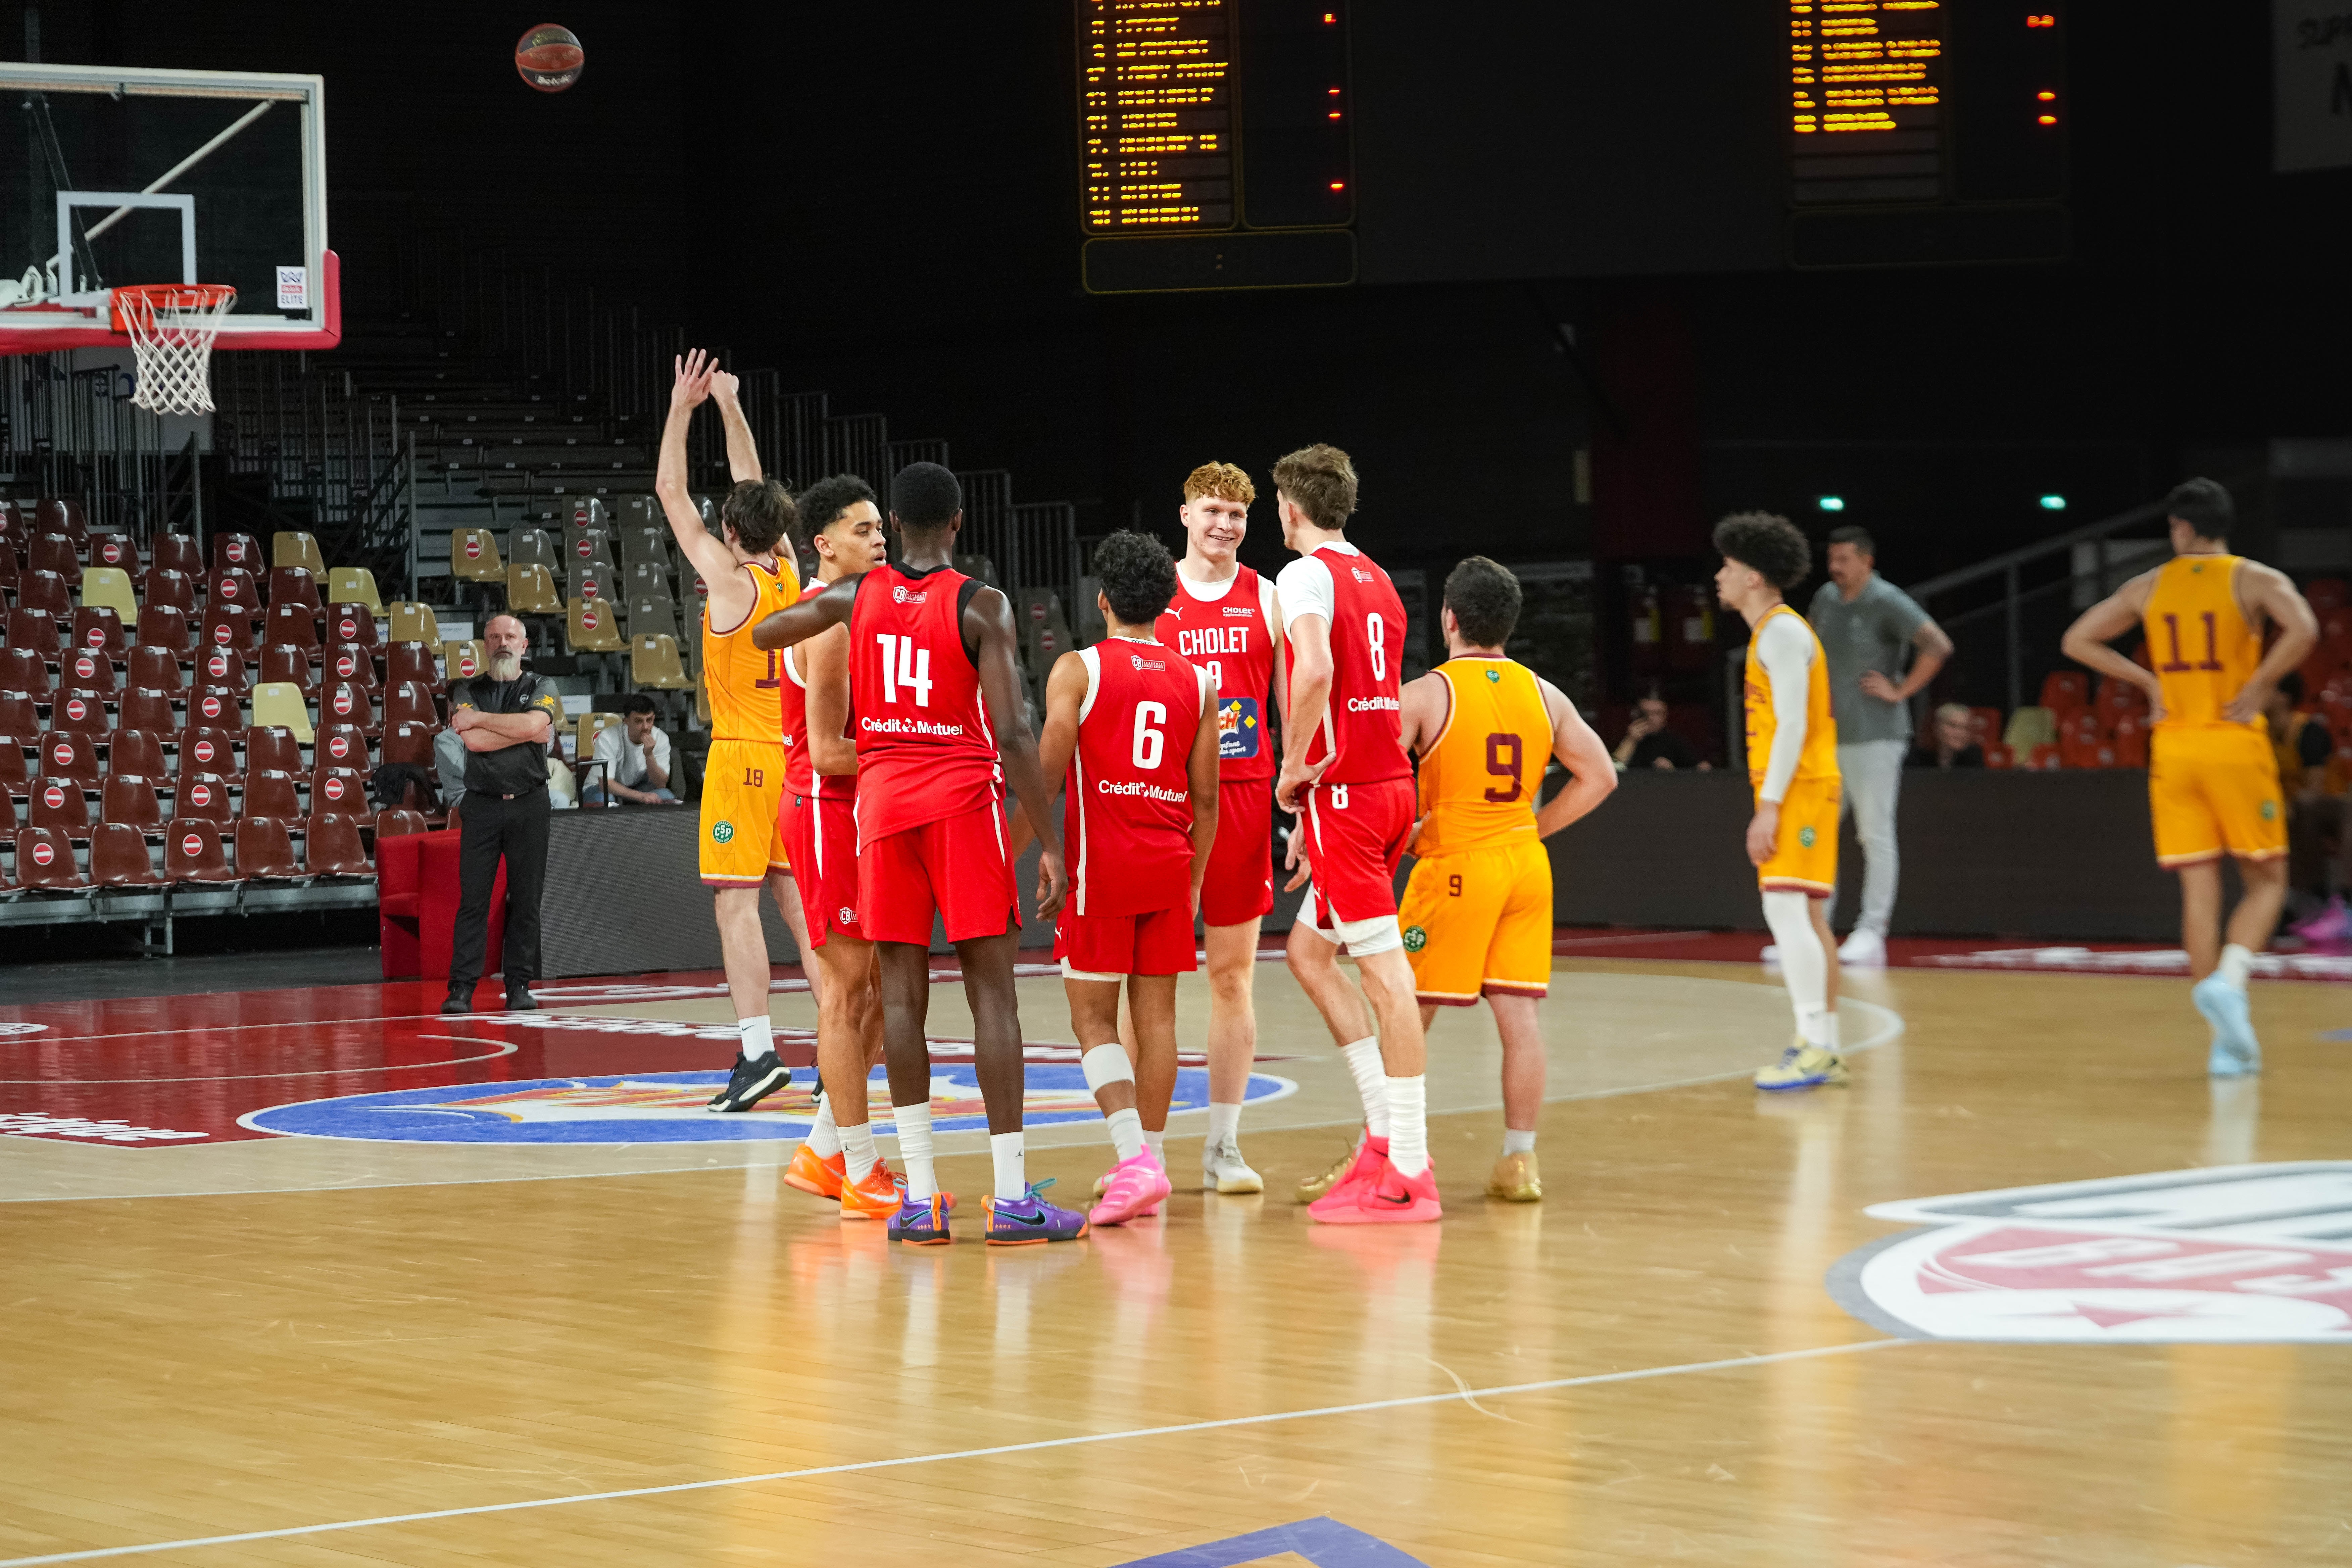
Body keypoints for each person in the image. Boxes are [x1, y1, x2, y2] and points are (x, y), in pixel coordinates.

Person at [754, 462, 1082, 1245]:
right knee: (992, 997)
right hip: (963, 804)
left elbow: (767, 634)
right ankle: (1011, 1198)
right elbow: (1011, 732)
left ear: (894, 526)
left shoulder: (855, 598)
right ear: (959, 523)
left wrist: (795, 594)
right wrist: (1054, 843)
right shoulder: (982, 602)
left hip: (884, 808)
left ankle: (920, 1198)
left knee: (897, 1000)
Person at [2061, 478, 2317, 1076]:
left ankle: (2222, 1045)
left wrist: (2147, 682)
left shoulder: (2148, 584)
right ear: (2223, 525)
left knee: (2197, 892)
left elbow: (2076, 639)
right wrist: (2257, 685)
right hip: (2232, 743)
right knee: (2267, 882)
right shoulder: (2251, 577)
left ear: (2179, 528)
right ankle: (2231, 980)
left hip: (2173, 750)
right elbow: (2303, 627)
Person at [1393, 557, 1617, 1202]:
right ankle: (1519, 1160)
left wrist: (1405, 835)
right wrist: (1533, 829)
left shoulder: (1426, 692)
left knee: (1408, 1013)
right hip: (1524, 864)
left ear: (1449, 618)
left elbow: (1378, 786)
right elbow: (1600, 776)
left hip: (1456, 865)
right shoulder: (1546, 694)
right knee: (1519, 1017)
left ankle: (1386, 1151)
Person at [1031, 530, 1220, 1227]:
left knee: (1090, 1018)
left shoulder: (1078, 670)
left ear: (1102, 600)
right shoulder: (1199, 681)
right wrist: (1194, 877)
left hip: (1101, 867)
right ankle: (1154, 1160)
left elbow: (1046, 777)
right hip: (1169, 863)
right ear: (1166, 606)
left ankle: (1132, 1156)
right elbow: (1208, 800)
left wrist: (1035, 852)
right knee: (1160, 1018)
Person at [1271, 443, 1439, 1224]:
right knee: (1309, 953)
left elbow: (1312, 675)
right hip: (1386, 788)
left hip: (1349, 795)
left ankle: (1409, 1165)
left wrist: (1294, 771)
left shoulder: (1306, 574)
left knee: (1385, 979)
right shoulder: (1379, 578)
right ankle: (1381, 1132)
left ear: (1293, 509)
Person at [653, 350, 804, 1115]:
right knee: (799, 905)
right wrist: (733, 405)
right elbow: (755, 487)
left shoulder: (730, 578)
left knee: (734, 905)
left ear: (728, 528)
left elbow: (670, 490)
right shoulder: (788, 570)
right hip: (795, 756)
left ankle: (758, 1050)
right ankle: (847, 1032)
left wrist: (686, 405)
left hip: (743, 757)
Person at [1149, 460, 1285, 1193]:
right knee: (1152, 981)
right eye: (1211, 509)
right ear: (1185, 515)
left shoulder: (1266, 597)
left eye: (1236, 513)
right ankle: (1144, 1149)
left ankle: (1224, 1146)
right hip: (1161, 803)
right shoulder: (1154, 596)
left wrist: (1296, 798)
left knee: (1231, 976)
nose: (1224, 523)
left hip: (1240, 798)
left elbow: (1294, 706)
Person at [774, 474, 899, 1219]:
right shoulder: (825, 621)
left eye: (881, 526)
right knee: (848, 994)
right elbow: (826, 750)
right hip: (827, 810)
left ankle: (823, 1149)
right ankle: (858, 1167)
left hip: (865, 810)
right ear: (823, 544)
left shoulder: (868, 610)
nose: (879, 537)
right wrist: (928, 751)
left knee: (882, 990)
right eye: (862, 529)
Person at [1715, 512, 1848, 1091]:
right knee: (1806, 914)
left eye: (1726, 566)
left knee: (1786, 910)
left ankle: (1813, 1042)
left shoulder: (1781, 631)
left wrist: (1768, 806)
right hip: (1799, 787)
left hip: (1799, 789)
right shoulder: (1772, 631)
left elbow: (1793, 724)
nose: (1718, 576)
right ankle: (1827, 1044)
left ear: (1751, 576)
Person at [1808, 525, 1953, 968]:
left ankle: (1873, 930)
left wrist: (1901, 690)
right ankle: (1816, 930)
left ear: (1867, 561)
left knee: (1874, 832)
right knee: (1818, 832)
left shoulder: (1887, 600)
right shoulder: (1825, 600)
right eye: (1832, 559)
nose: (1836, 568)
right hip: (1830, 734)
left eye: (1845, 560)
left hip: (1876, 735)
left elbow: (1938, 644)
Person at [443, 612, 564, 1014]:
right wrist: (522, 730)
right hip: (482, 805)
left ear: (525, 645)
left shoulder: (541, 685)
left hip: (530, 802)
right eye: (494, 637)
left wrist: (481, 720)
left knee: (527, 900)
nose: (503, 643)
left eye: (510, 636)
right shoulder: (466, 688)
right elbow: (474, 742)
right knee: (474, 900)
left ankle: (519, 986)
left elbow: (536, 723)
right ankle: (461, 989)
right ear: (484, 644)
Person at [582, 696, 675, 805]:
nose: (645, 727)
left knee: (666, 796)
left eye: (649, 720)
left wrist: (649, 755)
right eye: (639, 721)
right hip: (599, 788)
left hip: (637, 787)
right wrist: (642, 797)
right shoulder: (608, 737)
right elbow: (606, 785)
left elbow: (661, 784)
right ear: (626, 721)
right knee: (605, 799)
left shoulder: (661, 738)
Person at [1611, 691, 1702, 771]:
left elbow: (1699, 770)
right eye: (1646, 713)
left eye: (1657, 713)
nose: (1651, 718)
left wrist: (1673, 771)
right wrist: (1631, 740)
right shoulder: (1626, 739)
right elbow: (1614, 770)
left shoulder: (1675, 742)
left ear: (1665, 716)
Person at [1907, 703, 1985, 769]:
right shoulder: (1916, 756)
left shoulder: (1973, 756)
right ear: (1936, 727)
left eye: (1965, 728)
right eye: (1953, 726)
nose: (1960, 733)